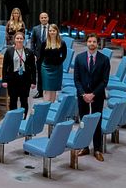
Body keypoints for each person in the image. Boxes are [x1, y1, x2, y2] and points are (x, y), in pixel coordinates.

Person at [73, 33, 110, 162]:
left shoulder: (104, 59)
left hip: (97, 95)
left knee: (97, 122)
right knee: (83, 122)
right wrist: (84, 94)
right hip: (82, 95)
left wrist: (93, 94)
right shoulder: (79, 58)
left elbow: (104, 81)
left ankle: (98, 149)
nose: (92, 44)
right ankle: (84, 147)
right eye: (89, 41)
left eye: (94, 41)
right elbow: (76, 79)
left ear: (97, 44)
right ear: (86, 43)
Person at [1, 32, 36, 118]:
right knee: (13, 100)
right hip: (13, 78)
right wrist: (4, 80)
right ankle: (13, 118)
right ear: (14, 40)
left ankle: (23, 118)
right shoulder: (9, 51)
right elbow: (5, 67)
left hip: (25, 79)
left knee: (24, 100)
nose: (19, 40)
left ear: (24, 40)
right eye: (17, 38)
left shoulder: (29, 52)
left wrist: (33, 81)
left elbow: (33, 68)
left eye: (21, 38)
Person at [39, 24, 67, 103]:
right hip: (46, 68)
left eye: (53, 31)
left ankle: (51, 105)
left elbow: (64, 55)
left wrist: (58, 62)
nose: (52, 32)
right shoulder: (44, 42)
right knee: (47, 89)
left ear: (57, 31)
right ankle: (46, 106)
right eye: (50, 31)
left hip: (57, 68)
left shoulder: (62, 43)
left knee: (53, 89)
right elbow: (41, 56)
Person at [30, 12, 50, 98]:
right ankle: (40, 91)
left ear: (48, 18)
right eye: (42, 18)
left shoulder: (52, 28)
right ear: (39, 19)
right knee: (40, 74)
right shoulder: (35, 29)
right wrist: (33, 53)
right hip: (38, 56)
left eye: (45, 17)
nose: (44, 19)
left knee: (49, 74)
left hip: (49, 56)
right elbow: (32, 42)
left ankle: (48, 91)